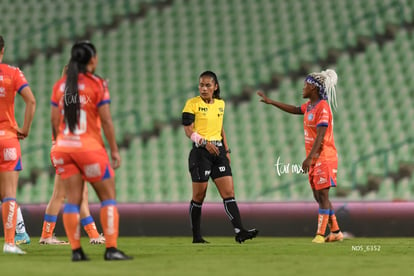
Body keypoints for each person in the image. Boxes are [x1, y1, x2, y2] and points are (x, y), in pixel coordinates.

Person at [50, 40, 131, 261]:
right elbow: (106, 121)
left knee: (72, 201)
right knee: (108, 199)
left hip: (64, 148)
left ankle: (76, 251)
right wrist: (114, 150)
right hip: (89, 149)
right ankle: (111, 249)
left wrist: (59, 142)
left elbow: (54, 119)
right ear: (92, 60)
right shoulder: (98, 84)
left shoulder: (60, 85)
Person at [257, 69, 343, 243]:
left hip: (324, 156)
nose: (302, 88)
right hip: (314, 157)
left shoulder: (323, 107)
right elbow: (296, 109)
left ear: (314, 88)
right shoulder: (310, 106)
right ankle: (336, 231)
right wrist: (271, 101)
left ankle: (320, 234)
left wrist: (310, 157)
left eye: (306, 84)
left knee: (323, 196)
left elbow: (321, 134)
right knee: (318, 197)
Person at [182, 70, 258, 244]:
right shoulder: (191, 104)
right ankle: (196, 236)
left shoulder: (220, 104)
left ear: (215, 87)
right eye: (201, 84)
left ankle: (240, 231)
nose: (204, 88)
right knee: (199, 196)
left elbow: (220, 128)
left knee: (229, 193)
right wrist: (203, 142)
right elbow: (188, 130)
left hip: (219, 151)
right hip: (201, 153)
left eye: (208, 85)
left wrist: (227, 150)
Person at [40, 64, 105, 245]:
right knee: (70, 195)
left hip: (60, 148)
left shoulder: (61, 97)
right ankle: (90, 235)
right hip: (73, 150)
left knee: (67, 195)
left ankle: (49, 235)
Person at [0, 35, 36, 254]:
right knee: (9, 194)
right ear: (2, 50)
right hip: (8, 139)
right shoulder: (13, 72)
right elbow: (31, 100)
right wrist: (25, 128)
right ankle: (10, 242)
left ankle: (19, 233)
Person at [39, 175, 105, 245]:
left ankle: (46, 235)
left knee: (59, 195)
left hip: (63, 165)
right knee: (78, 195)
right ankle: (94, 235)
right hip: (72, 165)